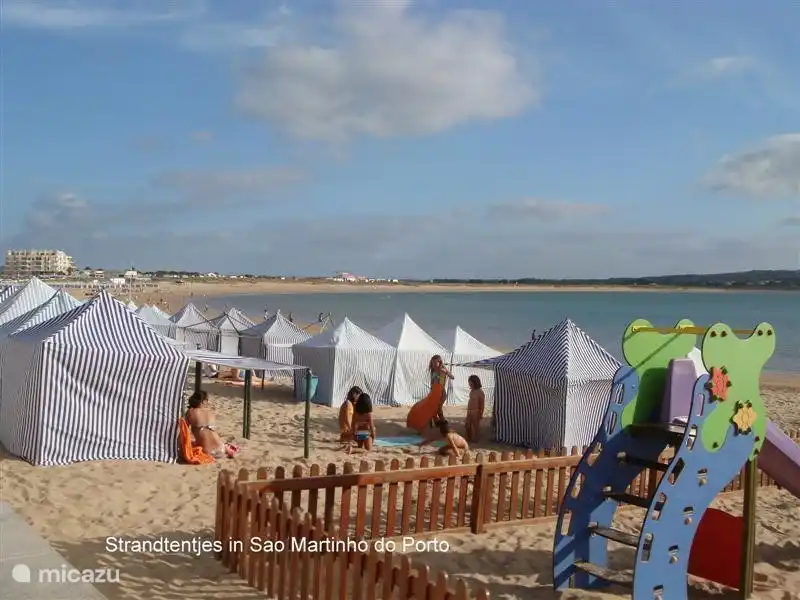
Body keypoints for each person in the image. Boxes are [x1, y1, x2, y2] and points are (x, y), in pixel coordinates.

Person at [185, 390, 239, 459]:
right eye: (207, 400)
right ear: (203, 401)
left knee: (192, 442)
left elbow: (184, 431)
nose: (207, 402)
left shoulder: (190, 412)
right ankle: (227, 450)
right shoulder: (209, 412)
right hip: (221, 448)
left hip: (207, 451)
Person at [429, 354, 454, 423]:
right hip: (434, 392)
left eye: (435, 363)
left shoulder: (442, 370)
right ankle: (437, 421)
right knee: (434, 408)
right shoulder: (433, 371)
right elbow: (432, 383)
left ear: (439, 362)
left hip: (441, 393)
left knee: (438, 408)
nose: (433, 364)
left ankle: (442, 422)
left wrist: (446, 371)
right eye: (432, 363)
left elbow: (452, 377)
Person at [465, 375, 485, 442]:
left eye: (470, 383)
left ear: (475, 382)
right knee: (467, 425)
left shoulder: (480, 392)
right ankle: (469, 438)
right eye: (469, 383)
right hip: (469, 411)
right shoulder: (472, 391)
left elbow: (482, 404)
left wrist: (481, 413)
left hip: (476, 411)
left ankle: (476, 439)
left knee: (475, 427)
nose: (469, 384)